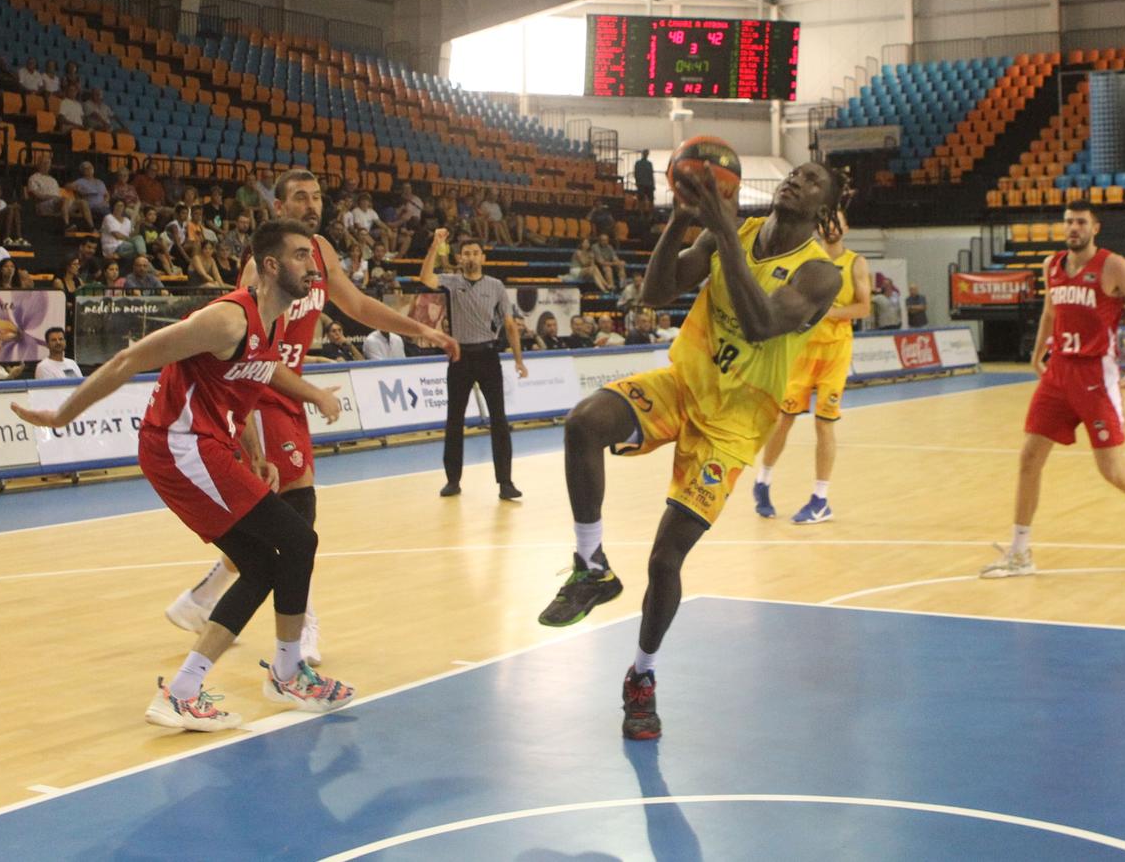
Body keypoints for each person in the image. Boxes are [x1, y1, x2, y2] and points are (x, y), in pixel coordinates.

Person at [537, 161, 846, 739]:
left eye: (809, 182)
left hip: (735, 424)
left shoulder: (820, 274)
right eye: (794, 174)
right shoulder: (733, 232)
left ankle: (642, 677)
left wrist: (724, 232)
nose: (795, 182)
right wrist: (679, 223)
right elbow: (656, 293)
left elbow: (759, 324)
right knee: (584, 422)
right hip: (683, 383)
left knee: (664, 559)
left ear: (823, 208)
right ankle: (591, 567)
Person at [13, 219, 358, 730]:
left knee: (263, 563)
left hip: (210, 444)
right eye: (302, 255)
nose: (314, 265)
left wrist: (255, 452)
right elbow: (132, 357)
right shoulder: (227, 320)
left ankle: (183, 689)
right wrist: (63, 415)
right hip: (178, 446)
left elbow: (238, 391)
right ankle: (287, 672)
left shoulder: (277, 322)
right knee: (298, 540)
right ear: (270, 265)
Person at [163, 172, 459, 659]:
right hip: (262, 391)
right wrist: (249, 424)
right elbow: (248, 346)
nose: (312, 204)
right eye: (300, 197)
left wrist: (420, 330)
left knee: (277, 519)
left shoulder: (319, 249)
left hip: (291, 391)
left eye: (318, 196)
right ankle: (298, 629)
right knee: (299, 519)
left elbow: (359, 305)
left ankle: (201, 600)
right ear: (278, 204)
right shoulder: (264, 265)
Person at [980, 199, 1125, 579]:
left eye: (1080, 222)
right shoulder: (1052, 265)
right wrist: (1038, 352)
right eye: (1068, 222)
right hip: (1059, 371)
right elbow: (1050, 311)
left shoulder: (1113, 267)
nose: (1073, 228)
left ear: (1095, 228)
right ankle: (1020, 552)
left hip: (1096, 374)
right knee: (1029, 458)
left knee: (1111, 470)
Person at [754, 211, 869, 525]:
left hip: (835, 351)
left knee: (824, 423)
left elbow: (863, 306)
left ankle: (820, 499)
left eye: (837, 222)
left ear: (846, 227)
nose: (832, 227)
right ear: (819, 228)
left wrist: (829, 313)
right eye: (827, 222)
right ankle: (762, 482)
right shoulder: (807, 260)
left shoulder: (855, 263)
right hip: (802, 348)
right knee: (784, 418)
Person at [420, 228, 528, 500]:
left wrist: (518, 360)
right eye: (466, 253)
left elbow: (510, 325)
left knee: (499, 420)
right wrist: (435, 246)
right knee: (454, 420)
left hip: (489, 355)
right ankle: (452, 480)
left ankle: (505, 482)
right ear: (459, 257)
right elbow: (425, 277)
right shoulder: (452, 281)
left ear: (483, 257)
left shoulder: (496, 286)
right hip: (460, 356)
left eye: (475, 253)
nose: (471, 257)